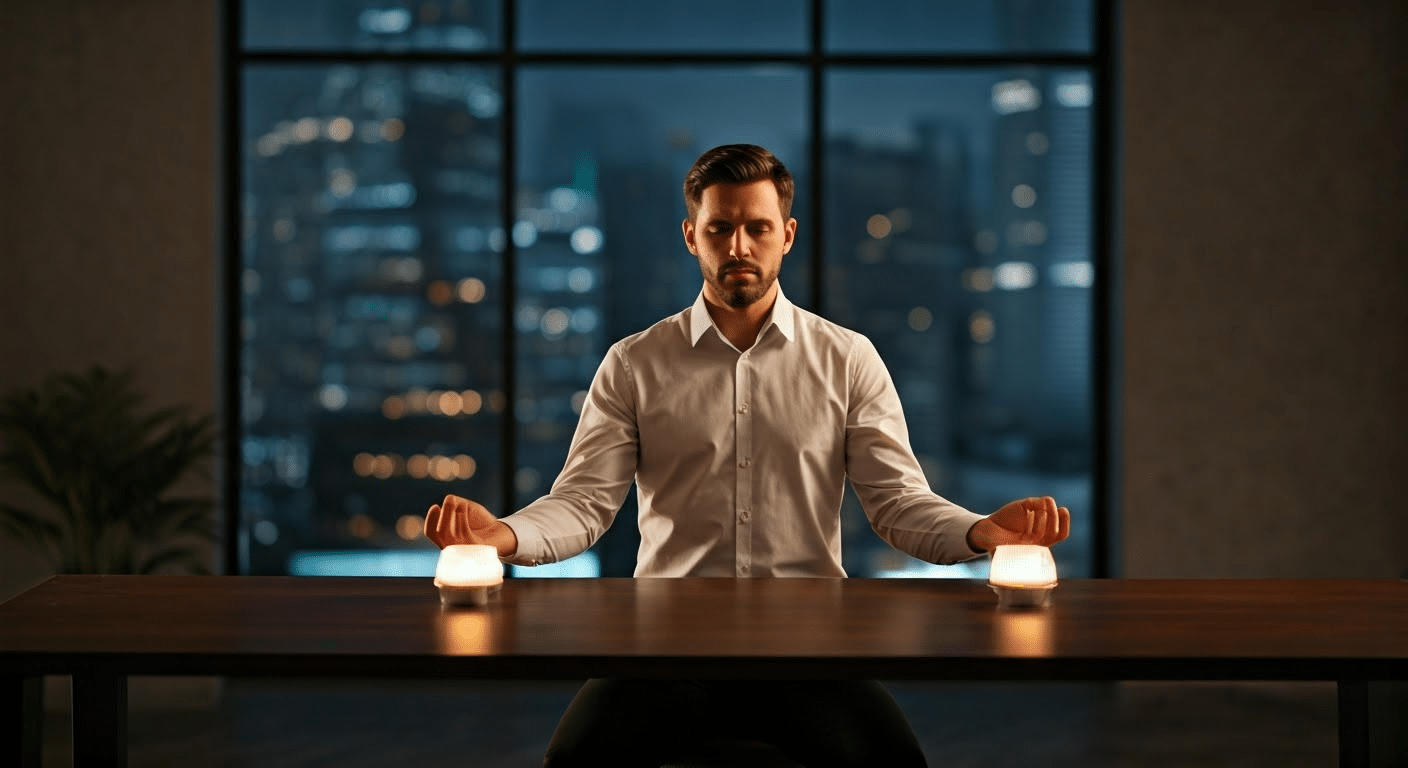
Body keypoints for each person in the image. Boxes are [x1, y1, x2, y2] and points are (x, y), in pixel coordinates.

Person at [425, 144, 1071, 767]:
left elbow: (897, 503)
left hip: (809, 655)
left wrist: (980, 532)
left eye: (757, 228)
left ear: (787, 235)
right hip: (665, 655)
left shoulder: (847, 359)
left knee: (894, 762)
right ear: (690, 235)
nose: (739, 247)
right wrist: (504, 535)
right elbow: (584, 504)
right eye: (720, 228)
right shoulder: (634, 363)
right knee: (572, 762)